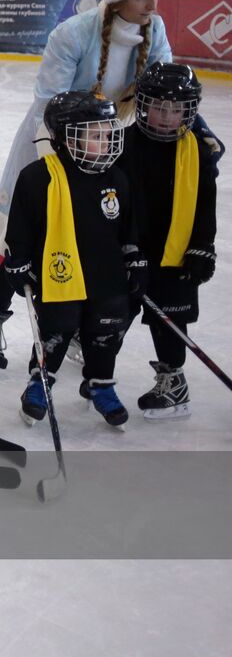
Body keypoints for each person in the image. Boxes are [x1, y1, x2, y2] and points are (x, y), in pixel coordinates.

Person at [0, 0, 173, 379]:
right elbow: (48, 103)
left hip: (105, 152)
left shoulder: (156, 32)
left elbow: (161, 91)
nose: (153, 3)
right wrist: (57, 170)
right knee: (22, 240)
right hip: (48, 146)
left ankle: (79, 324)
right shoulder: (72, 34)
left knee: (94, 238)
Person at [5, 91, 141, 429]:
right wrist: (18, 260)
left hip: (106, 274)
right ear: (67, 136)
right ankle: (40, 382)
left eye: (109, 133)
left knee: (105, 331)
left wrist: (135, 259)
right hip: (57, 274)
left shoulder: (116, 177)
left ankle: (100, 384)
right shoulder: (38, 177)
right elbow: (21, 225)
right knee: (57, 329)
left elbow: (129, 228)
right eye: (96, 135)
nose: (107, 142)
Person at [117, 64, 216, 419]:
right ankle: (100, 375)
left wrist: (203, 247)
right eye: (159, 107)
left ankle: (173, 381)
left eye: (176, 109)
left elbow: (205, 205)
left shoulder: (198, 153)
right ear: (143, 104)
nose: (167, 116)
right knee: (112, 315)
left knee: (169, 321)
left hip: (175, 255)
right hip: (129, 251)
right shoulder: (123, 143)